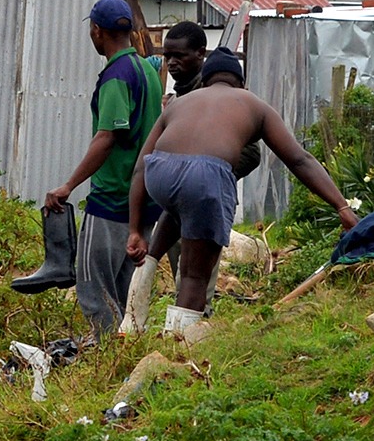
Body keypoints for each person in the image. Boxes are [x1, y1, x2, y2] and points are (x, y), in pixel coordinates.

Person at [126, 47, 359, 337]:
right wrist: (342, 207)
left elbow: (139, 169)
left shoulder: (178, 102)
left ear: (205, 80)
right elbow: (300, 160)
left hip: (159, 172)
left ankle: (130, 326)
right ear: (241, 82)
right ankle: (177, 347)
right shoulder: (254, 104)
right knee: (195, 276)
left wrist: (136, 230)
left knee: (177, 209)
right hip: (206, 176)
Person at [118, 31, 261, 333]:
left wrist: (211, 174)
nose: (171, 63)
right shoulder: (179, 97)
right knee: (177, 266)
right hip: (186, 188)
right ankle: (173, 338)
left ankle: (158, 330)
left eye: (178, 56)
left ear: (200, 56)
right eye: (167, 56)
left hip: (193, 187)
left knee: (192, 273)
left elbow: (251, 153)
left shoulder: (211, 96)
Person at [42, 0, 163, 338]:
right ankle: (129, 349)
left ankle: (107, 353)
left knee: (95, 288)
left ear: (97, 32)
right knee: (126, 288)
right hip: (144, 199)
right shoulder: (147, 71)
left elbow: (107, 136)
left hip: (112, 199)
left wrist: (69, 185)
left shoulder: (116, 76)